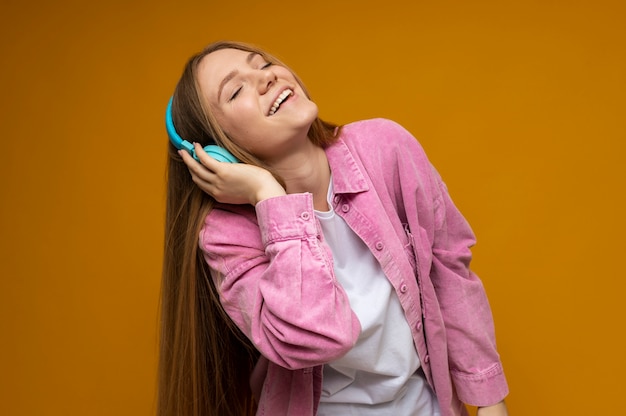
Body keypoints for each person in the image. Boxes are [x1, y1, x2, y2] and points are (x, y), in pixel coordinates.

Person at [158, 41, 509, 416]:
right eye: (237, 89)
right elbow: (321, 337)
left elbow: (449, 271)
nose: (265, 78)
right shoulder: (226, 234)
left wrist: (490, 402)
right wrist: (268, 197)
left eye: (261, 64)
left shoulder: (385, 148)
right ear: (216, 155)